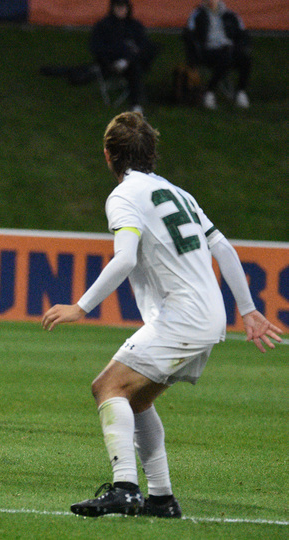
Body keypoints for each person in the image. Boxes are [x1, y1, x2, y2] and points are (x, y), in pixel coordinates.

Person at [42, 112, 283, 518]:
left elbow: (124, 259)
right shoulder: (179, 193)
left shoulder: (123, 196)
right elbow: (222, 248)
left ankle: (125, 488)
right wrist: (248, 310)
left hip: (182, 317)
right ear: (152, 154)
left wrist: (80, 307)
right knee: (135, 401)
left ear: (108, 156)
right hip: (207, 316)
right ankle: (161, 498)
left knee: (107, 388)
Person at [90, 0, 159, 113]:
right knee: (134, 64)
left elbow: (143, 43)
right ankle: (135, 103)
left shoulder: (134, 25)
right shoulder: (104, 26)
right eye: (118, 8)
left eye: (123, 8)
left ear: (128, 9)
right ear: (113, 9)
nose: (121, 11)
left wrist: (131, 54)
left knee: (149, 48)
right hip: (112, 62)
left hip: (131, 61)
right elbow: (97, 47)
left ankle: (126, 61)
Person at [183, 0, 253, 110]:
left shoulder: (231, 15)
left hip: (229, 48)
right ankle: (209, 92)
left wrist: (241, 46)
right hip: (209, 50)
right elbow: (189, 35)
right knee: (225, 58)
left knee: (245, 59)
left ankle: (241, 92)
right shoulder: (197, 15)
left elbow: (243, 34)